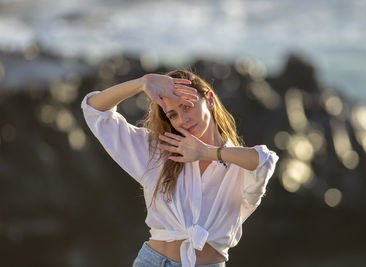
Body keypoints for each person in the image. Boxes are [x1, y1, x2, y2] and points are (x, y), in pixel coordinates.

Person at [81, 69, 279, 267]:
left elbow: (264, 161)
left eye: (187, 106)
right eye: (173, 114)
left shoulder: (238, 163)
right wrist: (142, 82)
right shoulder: (160, 151)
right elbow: (94, 110)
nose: (182, 120)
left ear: (209, 100)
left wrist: (206, 152)